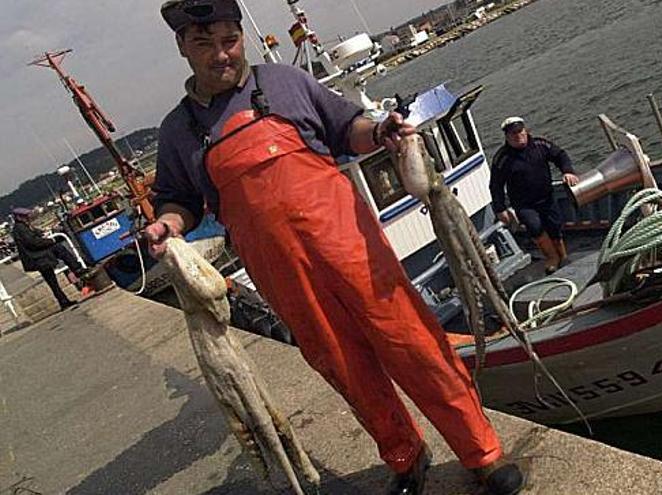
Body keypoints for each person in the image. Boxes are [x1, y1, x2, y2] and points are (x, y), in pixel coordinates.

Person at [145, 2, 523, 494]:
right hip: (284, 276)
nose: (221, 55)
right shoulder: (178, 131)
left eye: (229, 40)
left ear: (241, 37)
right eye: (204, 44)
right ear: (182, 48)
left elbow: (349, 129)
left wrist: (382, 131)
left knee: (415, 345)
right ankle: (406, 457)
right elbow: (179, 200)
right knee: (343, 366)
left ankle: (482, 453)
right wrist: (168, 225)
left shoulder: (285, 81)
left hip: (354, 250)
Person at [489, 117, 580, 274]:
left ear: (526, 130)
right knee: (535, 227)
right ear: (507, 136)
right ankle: (552, 258)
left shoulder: (540, 144)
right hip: (524, 204)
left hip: (546, 197)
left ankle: (563, 256)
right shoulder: (502, 158)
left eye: (520, 131)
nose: (518, 136)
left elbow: (560, 155)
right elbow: (495, 185)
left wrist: (568, 171)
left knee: (555, 226)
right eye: (513, 134)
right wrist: (500, 209)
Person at [10, 207, 83, 311]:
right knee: (59, 251)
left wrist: (43, 233)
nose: (27, 218)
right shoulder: (21, 229)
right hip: (38, 257)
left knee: (52, 281)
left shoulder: (22, 227)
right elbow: (33, 243)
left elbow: (36, 234)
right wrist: (51, 240)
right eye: (24, 216)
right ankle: (77, 269)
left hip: (38, 257)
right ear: (18, 217)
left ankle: (63, 301)